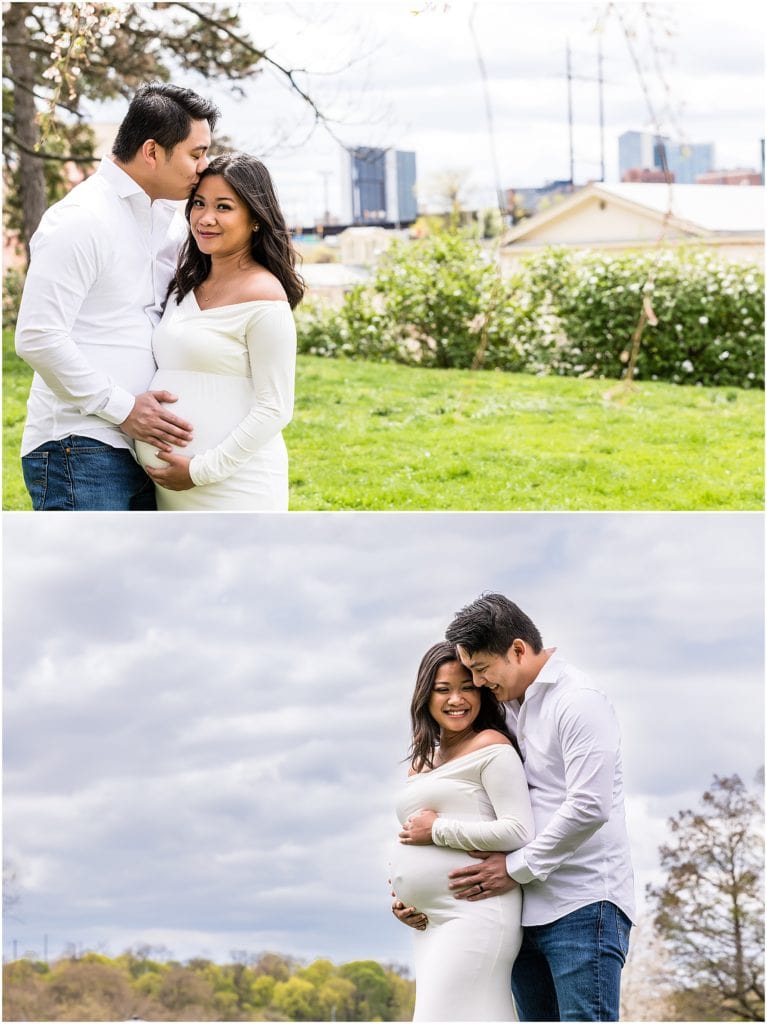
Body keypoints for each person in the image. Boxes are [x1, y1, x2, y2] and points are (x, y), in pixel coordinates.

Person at [15, 82, 220, 511]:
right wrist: (124, 409)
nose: (204, 167)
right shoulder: (80, 220)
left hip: (140, 450)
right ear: (151, 152)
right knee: (90, 580)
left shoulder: (168, 219)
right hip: (80, 446)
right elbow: (38, 336)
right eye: (195, 154)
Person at [437, 593, 636, 1022]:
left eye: (481, 669)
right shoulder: (506, 710)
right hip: (523, 913)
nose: (478, 681)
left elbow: (589, 805)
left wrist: (513, 868)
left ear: (518, 650)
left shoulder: (579, 701)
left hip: (583, 905)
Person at [136, 153, 303, 510]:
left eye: (224, 207)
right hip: (172, 491)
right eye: (199, 204)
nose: (205, 218)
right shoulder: (185, 287)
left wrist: (200, 470)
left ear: (256, 218)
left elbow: (275, 408)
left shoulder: (265, 296)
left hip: (234, 486)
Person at [390, 641, 534, 1022]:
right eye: (443, 690)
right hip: (428, 921)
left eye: (467, 687)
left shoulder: (492, 746)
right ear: (425, 696)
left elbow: (518, 830)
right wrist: (402, 894)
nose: (457, 699)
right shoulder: (421, 764)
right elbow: (408, 837)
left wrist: (438, 832)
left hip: (474, 912)